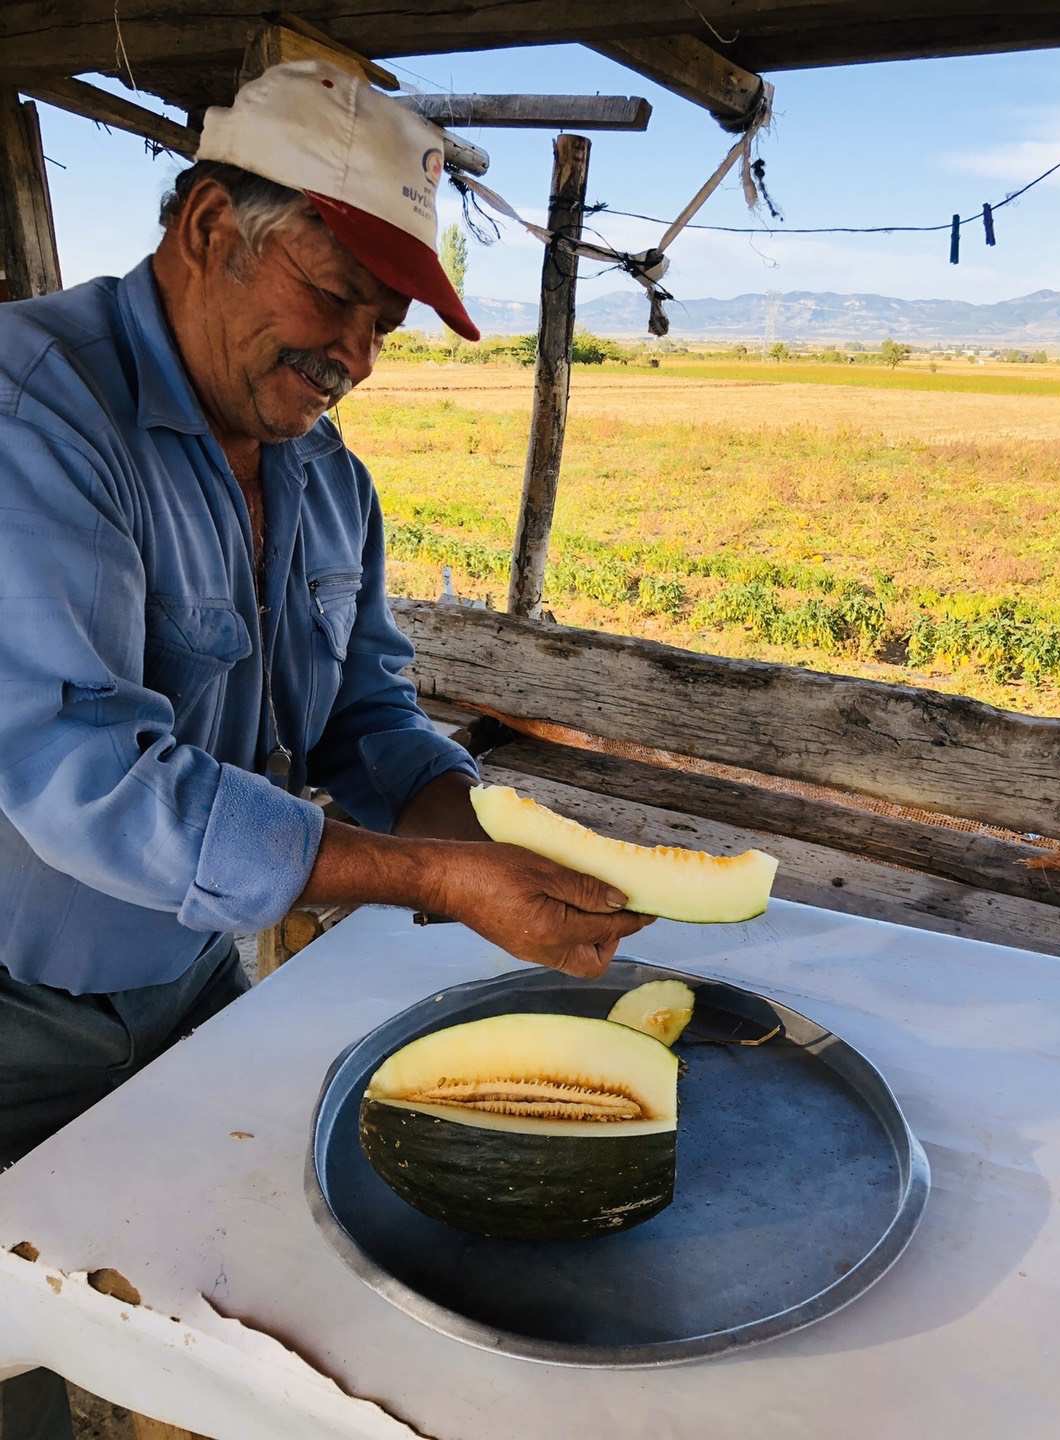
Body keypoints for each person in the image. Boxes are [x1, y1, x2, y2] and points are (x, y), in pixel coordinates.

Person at [0, 60, 652, 1437]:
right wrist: (428, 883)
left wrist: (476, 836)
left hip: (187, 987)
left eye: (387, 319)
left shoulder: (324, 478)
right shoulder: (37, 418)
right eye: (336, 293)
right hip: (13, 1011)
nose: (357, 355)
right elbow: (86, 778)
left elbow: (368, 718)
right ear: (207, 230)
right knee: (19, 1343)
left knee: (180, 1328)